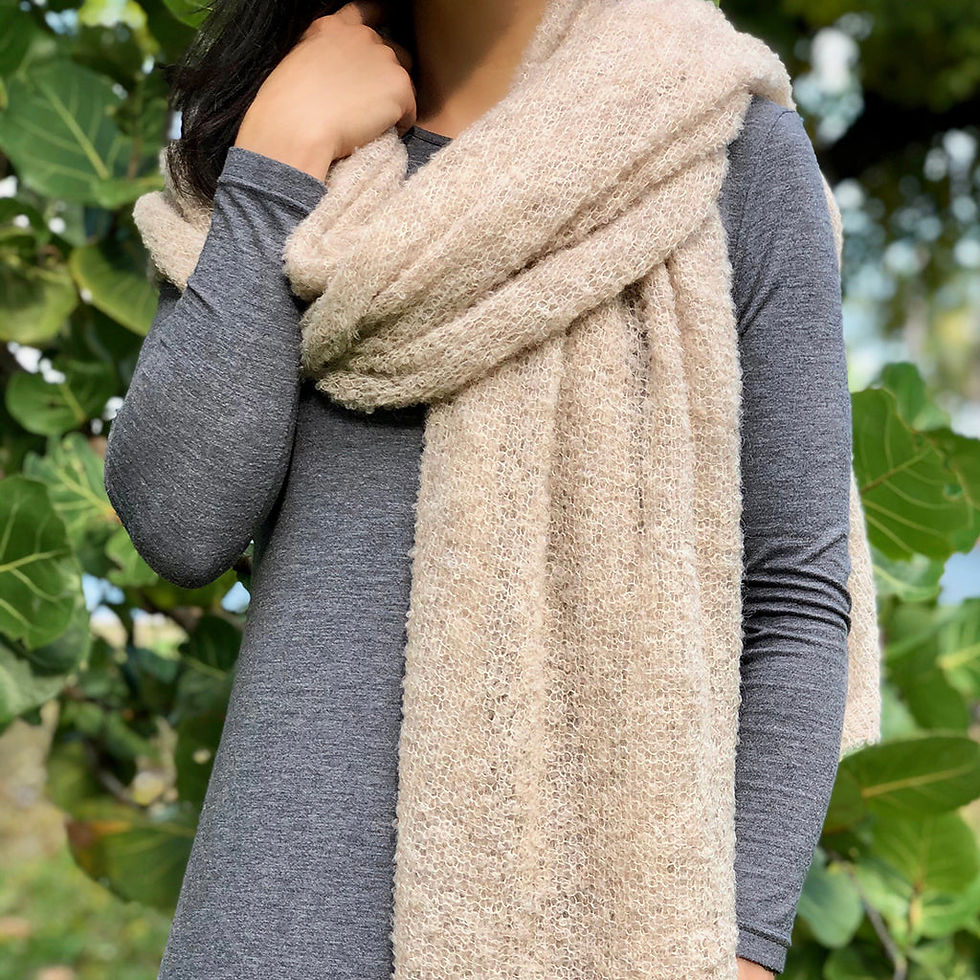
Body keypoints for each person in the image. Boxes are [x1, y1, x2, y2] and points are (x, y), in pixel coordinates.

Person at [104, 2, 855, 978]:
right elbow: (179, 518)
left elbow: (793, 598)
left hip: (603, 939)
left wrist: (743, 952)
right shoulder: (280, 129)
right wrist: (275, 163)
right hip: (265, 928)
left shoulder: (714, 140)